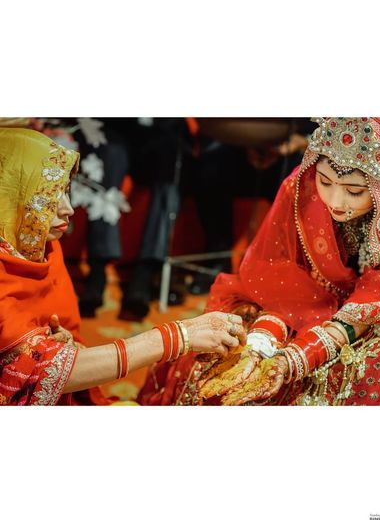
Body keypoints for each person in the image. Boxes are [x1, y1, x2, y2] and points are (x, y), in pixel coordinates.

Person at [138, 117, 380, 406]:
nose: (336, 200)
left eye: (355, 191)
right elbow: (279, 279)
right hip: (308, 306)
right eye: (326, 181)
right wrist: (260, 345)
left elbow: (378, 301)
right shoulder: (302, 189)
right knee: (221, 348)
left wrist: (295, 359)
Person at [0, 127, 245, 406]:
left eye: (66, 192)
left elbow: (47, 352)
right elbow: (33, 374)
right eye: (47, 197)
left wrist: (57, 345)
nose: (68, 209)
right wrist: (176, 337)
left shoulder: (40, 245)